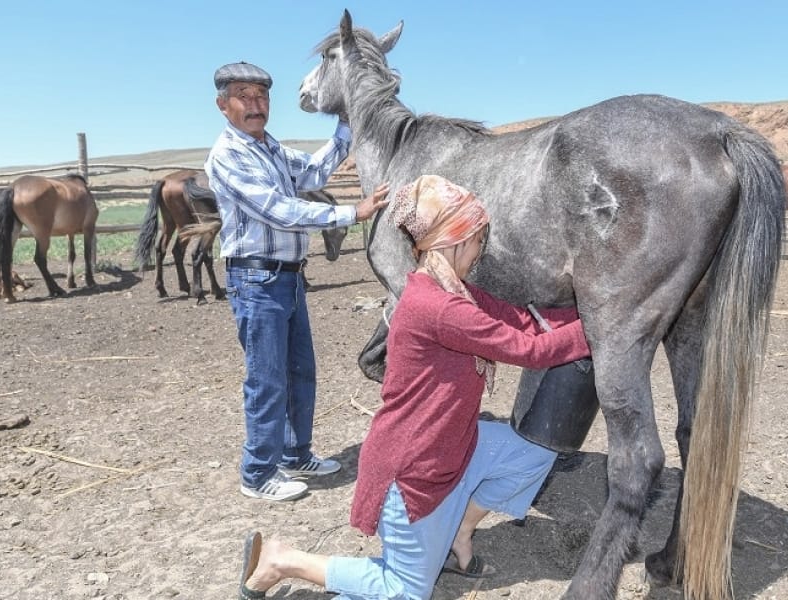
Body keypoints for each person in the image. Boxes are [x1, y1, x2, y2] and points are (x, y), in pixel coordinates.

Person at [236, 175, 591, 599]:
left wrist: (584, 311)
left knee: (535, 450)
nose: (480, 251)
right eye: (478, 240)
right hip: (414, 472)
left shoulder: (456, 292)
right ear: (453, 240)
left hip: (457, 447)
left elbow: (522, 320)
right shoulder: (437, 306)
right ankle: (282, 561)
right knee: (404, 591)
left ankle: (460, 531)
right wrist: (600, 328)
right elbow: (528, 349)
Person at [205, 61, 390, 502]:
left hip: (285, 279)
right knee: (267, 378)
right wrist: (351, 213)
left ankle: (294, 452)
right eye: (244, 96)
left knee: (299, 371)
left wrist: (347, 122)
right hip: (256, 279)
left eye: (261, 96)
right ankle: (257, 473)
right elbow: (278, 210)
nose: (255, 104)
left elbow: (315, 172)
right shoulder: (228, 155)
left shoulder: (269, 148)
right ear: (223, 105)